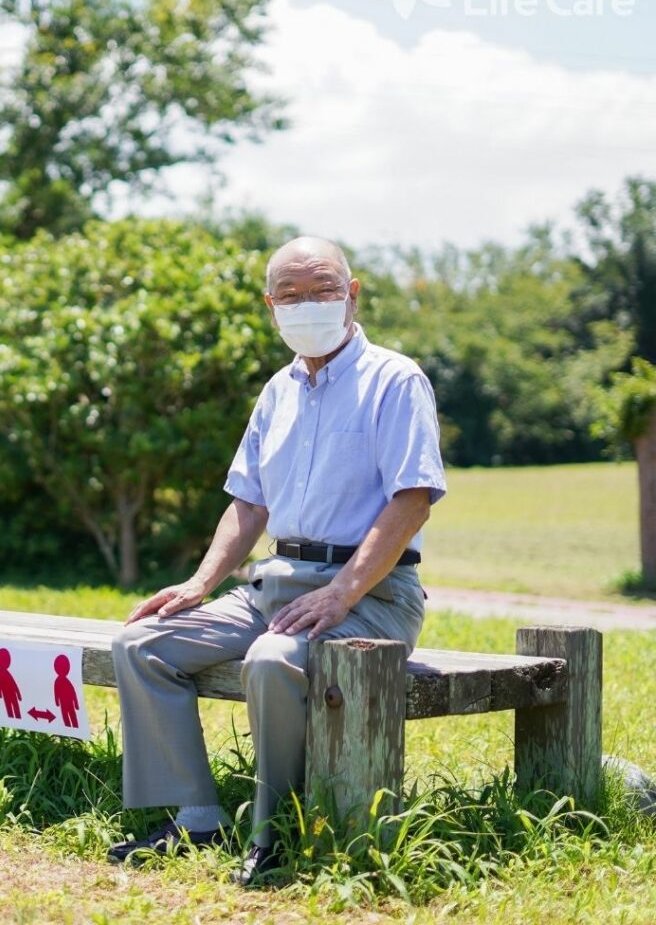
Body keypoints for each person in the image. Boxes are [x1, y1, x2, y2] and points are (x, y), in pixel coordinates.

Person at [107, 236, 446, 884]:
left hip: (371, 593)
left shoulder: (394, 380)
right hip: (275, 586)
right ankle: (197, 816)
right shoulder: (277, 391)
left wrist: (342, 593)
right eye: (290, 295)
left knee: (269, 660)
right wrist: (199, 583)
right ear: (271, 306)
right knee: (141, 643)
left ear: (352, 295)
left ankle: (276, 833)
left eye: (322, 290)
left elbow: (412, 502)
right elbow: (247, 504)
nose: (307, 305)